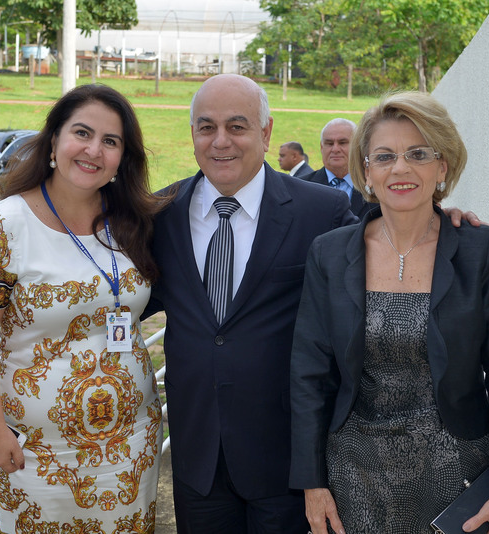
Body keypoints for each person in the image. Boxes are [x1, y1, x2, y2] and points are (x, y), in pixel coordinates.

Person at [289, 91, 489, 534]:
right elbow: (309, 377)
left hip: (455, 477)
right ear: (367, 171)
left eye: (418, 154)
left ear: (442, 167)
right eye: (384, 156)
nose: (400, 168)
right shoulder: (328, 254)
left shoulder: (481, 251)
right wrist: (312, 482)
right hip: (352, 479)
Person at [142, 74, 358, 533]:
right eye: (207, 127)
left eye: (236, 127)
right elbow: (110, 289)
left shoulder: (322, 212)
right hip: (197, 459)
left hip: (287, 464)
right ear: (193, 134)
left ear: (266, 132)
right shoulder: (159, 214)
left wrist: (442, 224)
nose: (220, 141)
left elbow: (383, 263)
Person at [0, 84, 165, 533]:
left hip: (132, 444)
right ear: (54, 140)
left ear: (122, 158)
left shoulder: (132, 220)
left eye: (110, 141)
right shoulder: (5, 223)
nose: (94, 150)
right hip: (35, 451)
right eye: (82, 133)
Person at [301, 118, 377, 219]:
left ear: (357, 146)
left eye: (342, 142)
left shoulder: (376, 186)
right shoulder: (302, 187)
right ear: (321, 147)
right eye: (329, 143)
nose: (335, 149)